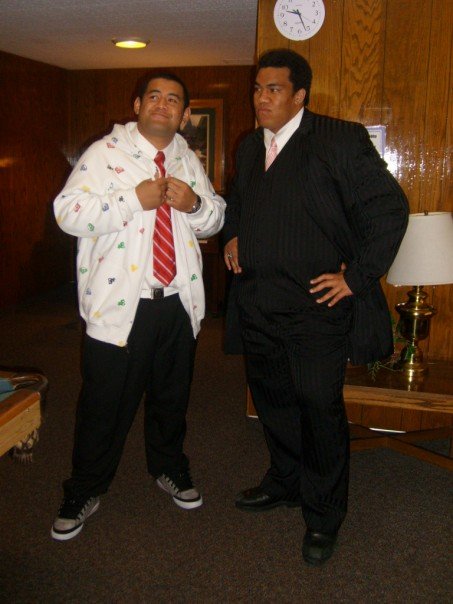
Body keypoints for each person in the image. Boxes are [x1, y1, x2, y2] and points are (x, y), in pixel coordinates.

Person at [223, 49, 408, 566]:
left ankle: (324, 515)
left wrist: (357, 276)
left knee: (318, 410)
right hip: (257, 303)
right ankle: (285, 481)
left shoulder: (338, 139)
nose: (261, 98)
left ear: (300, 95)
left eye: (274, 89)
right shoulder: (248, 146)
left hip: (316, 310)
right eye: (257, 88)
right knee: (273, 403)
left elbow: (390, 208)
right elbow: (239, 202)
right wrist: (234, 233)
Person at [52, 72, 225, 541]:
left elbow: (214, 219)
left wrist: (194, 205)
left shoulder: (187, 159)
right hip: (120, 308)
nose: (163, 105)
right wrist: (133, 199)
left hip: (178, 303)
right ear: (137, 106)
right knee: (104, 405)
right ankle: (84, 488)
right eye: (154, 97)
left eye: (174, 100)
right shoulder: (103, 154)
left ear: (185, 115)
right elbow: (67, 213)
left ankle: (169, 466)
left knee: (172, 398)